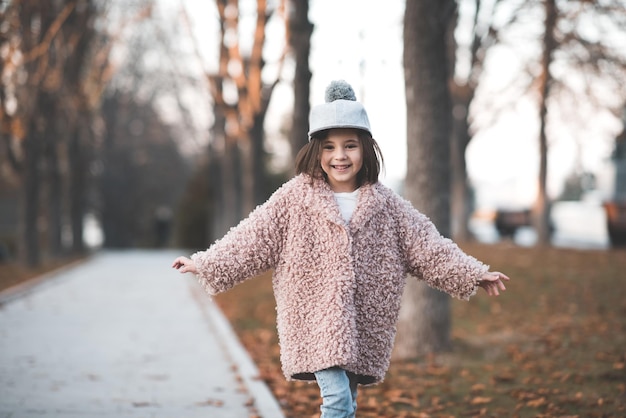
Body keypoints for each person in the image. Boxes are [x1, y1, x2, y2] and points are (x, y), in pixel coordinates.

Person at [172, 80, 510, 418]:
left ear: (365, 149)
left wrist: (472, 272)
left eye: (350, 146)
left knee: (346, 401)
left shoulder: (387, 205)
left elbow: (429, 245)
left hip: (364, 321)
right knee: (337, 402)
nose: (340, 156)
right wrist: (207, 263)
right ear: (316, 151)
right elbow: (252, 237)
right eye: (330, 147)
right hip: (314, 318)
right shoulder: (295, 198)